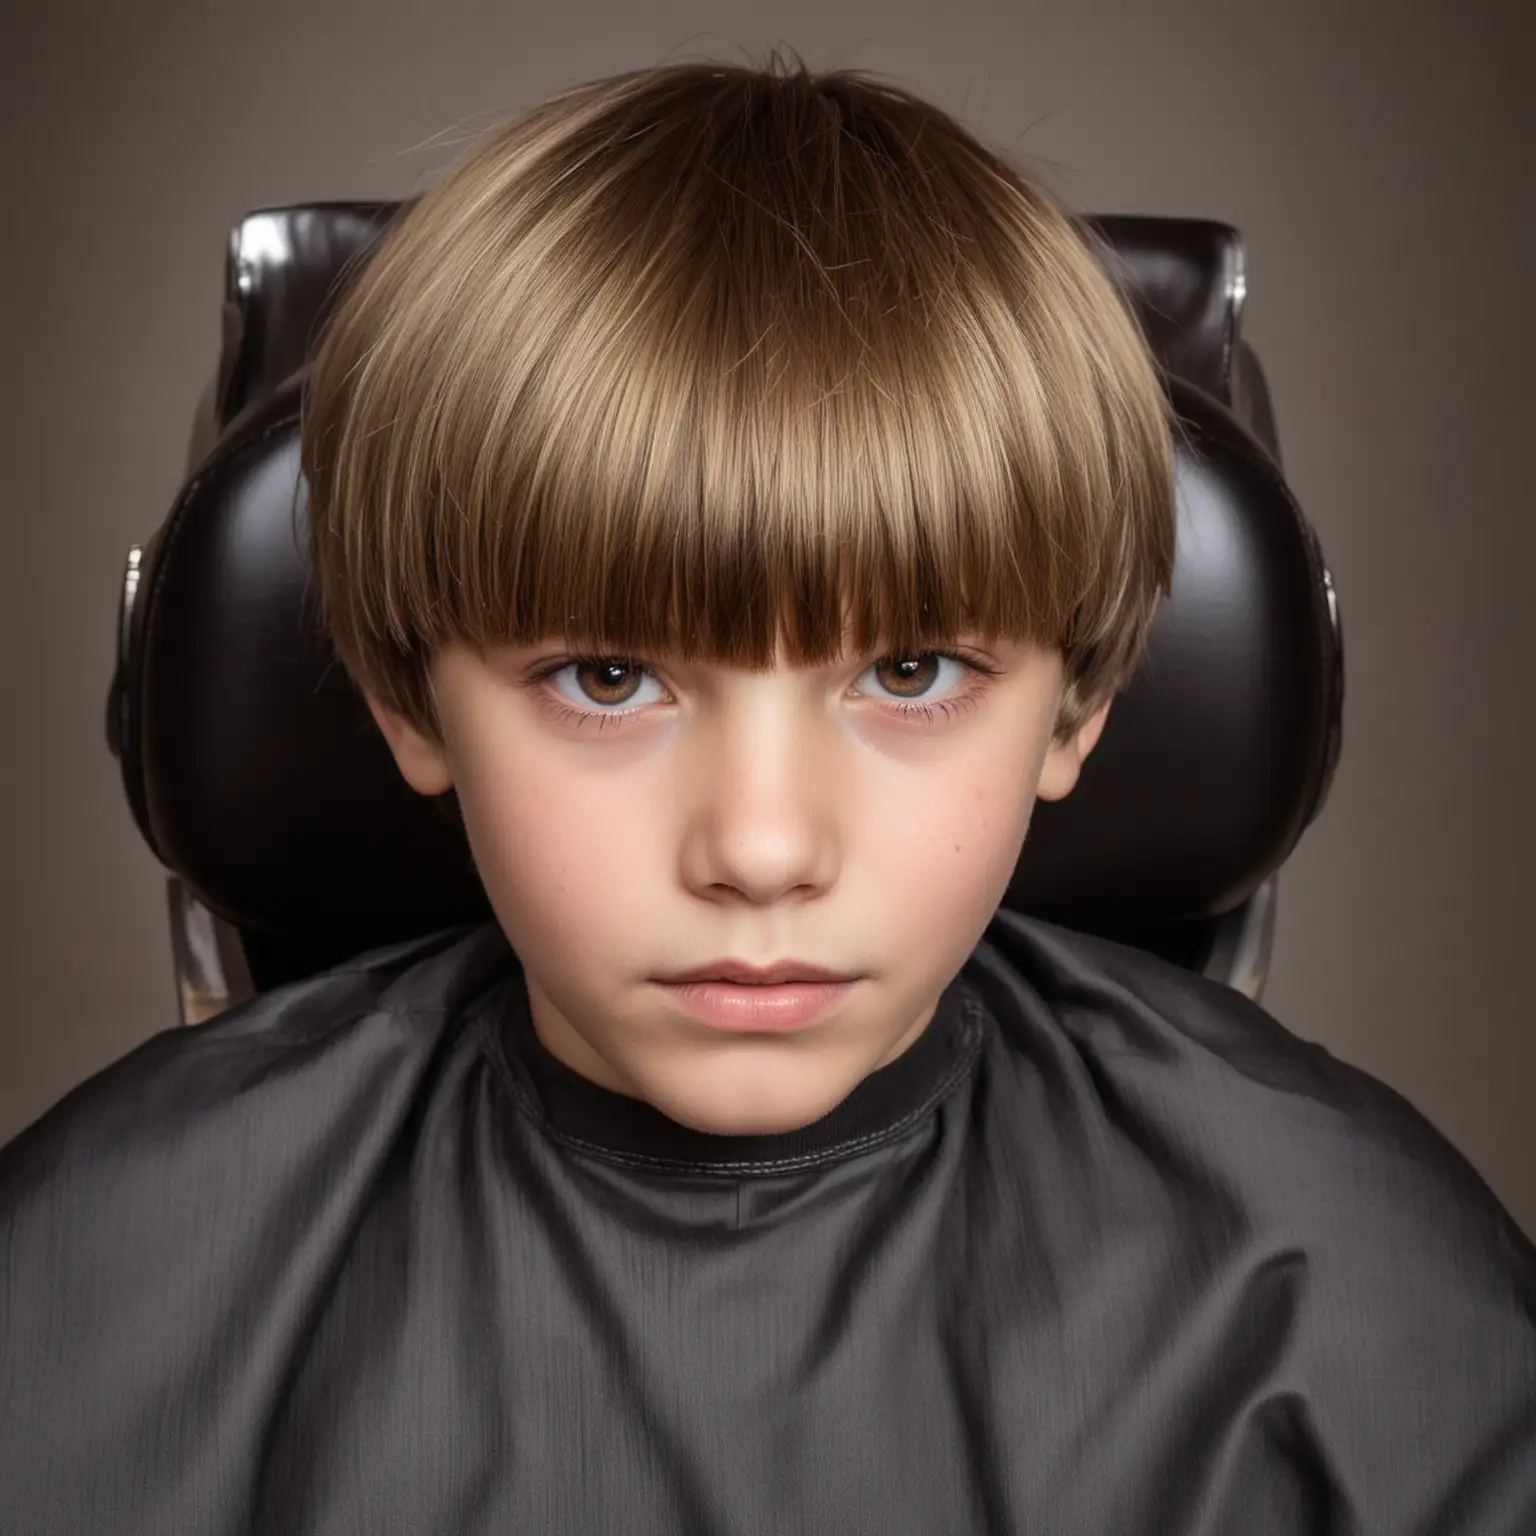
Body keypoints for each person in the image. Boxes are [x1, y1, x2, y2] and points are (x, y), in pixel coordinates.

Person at [2, 54, 1533, 1535]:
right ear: (408, 698)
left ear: (1080, 709)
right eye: (609, 680)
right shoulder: (95, 1282)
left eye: (915, 672)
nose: (761, 848)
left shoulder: (1356, 1294)